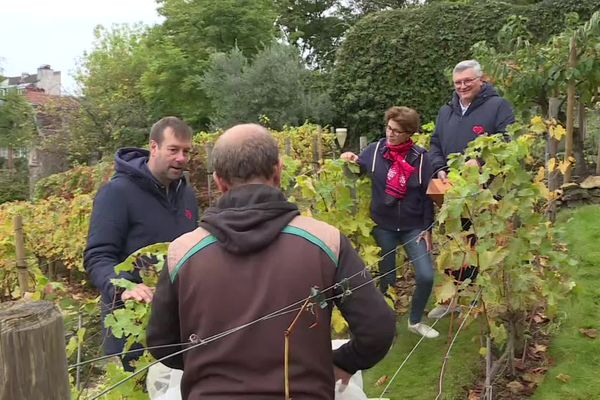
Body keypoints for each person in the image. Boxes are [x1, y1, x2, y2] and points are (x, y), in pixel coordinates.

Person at [147, 123, 395, 400]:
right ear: (278, 171)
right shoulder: (325, 241)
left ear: (218, 182)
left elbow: (162, 344)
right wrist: (342, 362)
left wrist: (211, 367)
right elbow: (377, 330)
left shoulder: (184, 252)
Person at [84, 116, 199, 370]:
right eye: (173, 150)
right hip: (132, 328)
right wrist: (123, 289)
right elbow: (98, 257)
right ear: (154, 147)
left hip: (176, 326)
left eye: (186, 151)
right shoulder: (117, 194)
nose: (181, 158)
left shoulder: (187, 196)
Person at [340, 106, 439, 339]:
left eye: (397, 131)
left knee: (426, 275)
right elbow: (356, 171)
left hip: (413, 227)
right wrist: (349, 159)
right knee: (388, 279)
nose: (390, 134)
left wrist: (427, 229)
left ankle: (415, 321)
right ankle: (388, 325)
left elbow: (427, 196)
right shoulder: (374, 152)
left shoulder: (421, 158)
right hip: (383, 226)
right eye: (388, 128)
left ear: (409, 133)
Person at [428, 60, 515, 318]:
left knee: (483, 245)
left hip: (485, 191)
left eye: (468, 81)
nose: (462, 86)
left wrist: (480, 162)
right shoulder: (447, 111)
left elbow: (508, 141)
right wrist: (438, 168)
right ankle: (452, 300)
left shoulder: (498, 106)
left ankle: (484, 300)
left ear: (481, 80)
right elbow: (435, 144)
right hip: (452, 192)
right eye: (458, 83)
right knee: (455, 243)